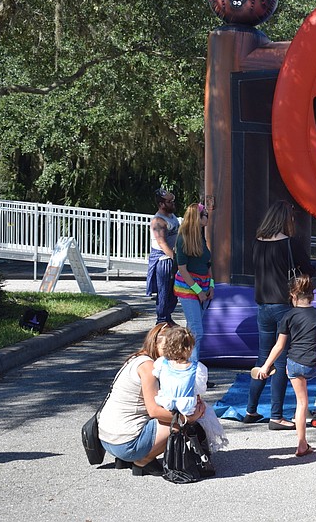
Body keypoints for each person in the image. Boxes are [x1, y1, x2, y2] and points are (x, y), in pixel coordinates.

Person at [98, 323, 206, 476]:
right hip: (124, 443)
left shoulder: (138, 358)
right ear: (155, 343)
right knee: (182, 424)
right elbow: (154, 411)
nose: (175, 351)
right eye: (170, 345)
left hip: (108, 439)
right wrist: (189, 418)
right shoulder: (149, 368)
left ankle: (129, 457)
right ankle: (142, 461)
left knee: (178, 414)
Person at [255, 275, 316, 457]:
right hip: (314, 365)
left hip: (294, 366)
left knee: (301, 403)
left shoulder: (288, 316)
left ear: (293, 295)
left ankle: (302, 444)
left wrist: (266, 366)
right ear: (312, 296)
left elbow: (279, 346)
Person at [245, 200, 316, 429]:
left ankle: (251, 409)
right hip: (284, 307)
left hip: (262, 306)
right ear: (286, 219)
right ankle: (276, 415)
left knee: (263, 357)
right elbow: (308, 268)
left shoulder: (256, 243)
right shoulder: (289, 244)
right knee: (282, 359)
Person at [153, 325, 227, 453]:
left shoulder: (161, 363)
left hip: (165, 403)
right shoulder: (197, 368)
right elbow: (200, 390)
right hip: (186, 407)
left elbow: (158, 378)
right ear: (190, 348)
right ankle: (202, 450)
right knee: (205, 413)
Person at [173, 203, 214, 364]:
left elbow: (208, 264)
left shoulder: (201, 237)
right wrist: (198, 291)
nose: (207, 217)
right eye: (205, 214)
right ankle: (193, 370)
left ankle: (189, 366)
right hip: (188, 288)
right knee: (196, 330)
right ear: (197, 218)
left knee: (193, 329)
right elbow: (182, 269)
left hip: (203, 286)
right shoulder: (183, 239)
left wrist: (212, 286)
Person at [146, 189, 180, 325]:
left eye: (173, 200)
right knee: (164, 292)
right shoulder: (158, 221)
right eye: (169, 201)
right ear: (161, 204)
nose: (172, 203)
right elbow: (163, 244)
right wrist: (177, 260)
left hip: (172, 257)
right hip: (163, 261)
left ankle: (167, 318)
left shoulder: (172, 217)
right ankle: (161, 321)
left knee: (174, 293)